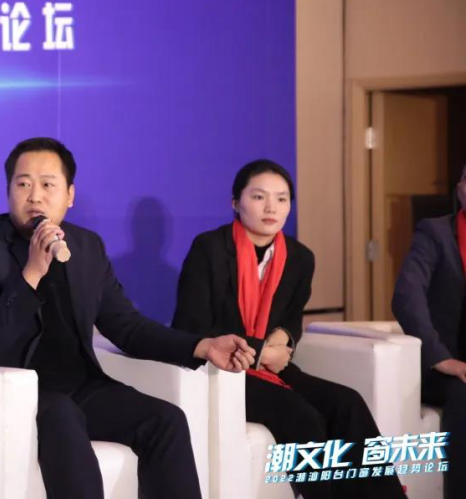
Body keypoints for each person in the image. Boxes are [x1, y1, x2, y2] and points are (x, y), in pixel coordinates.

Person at [0, 137, 256, 499]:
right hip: (21, 391)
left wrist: (201, 346)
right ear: (8, 191)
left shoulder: (86, 246)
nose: (35, 197)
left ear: (69, 195)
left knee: (166, 420)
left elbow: (127, 326)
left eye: (48, 185)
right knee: (62, 414)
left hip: (82, 387)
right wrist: (30, 273)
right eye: (23, 184)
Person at [172, 158, 406, 499]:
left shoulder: (299, 257)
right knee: (300, 415)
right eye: (259, 197)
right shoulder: (209, 249)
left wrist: (284, 336)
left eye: (281, 199)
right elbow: (191, 323)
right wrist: (261, 351)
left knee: (347, 403)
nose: (271, 207)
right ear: (235, 202)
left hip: (270, 367)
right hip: (222, 369)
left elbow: (292, 315)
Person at [393, 162, 466, 499]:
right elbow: (406, 297)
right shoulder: (435, 233)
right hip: (446, 367)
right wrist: (441, 358)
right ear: (460, 189)